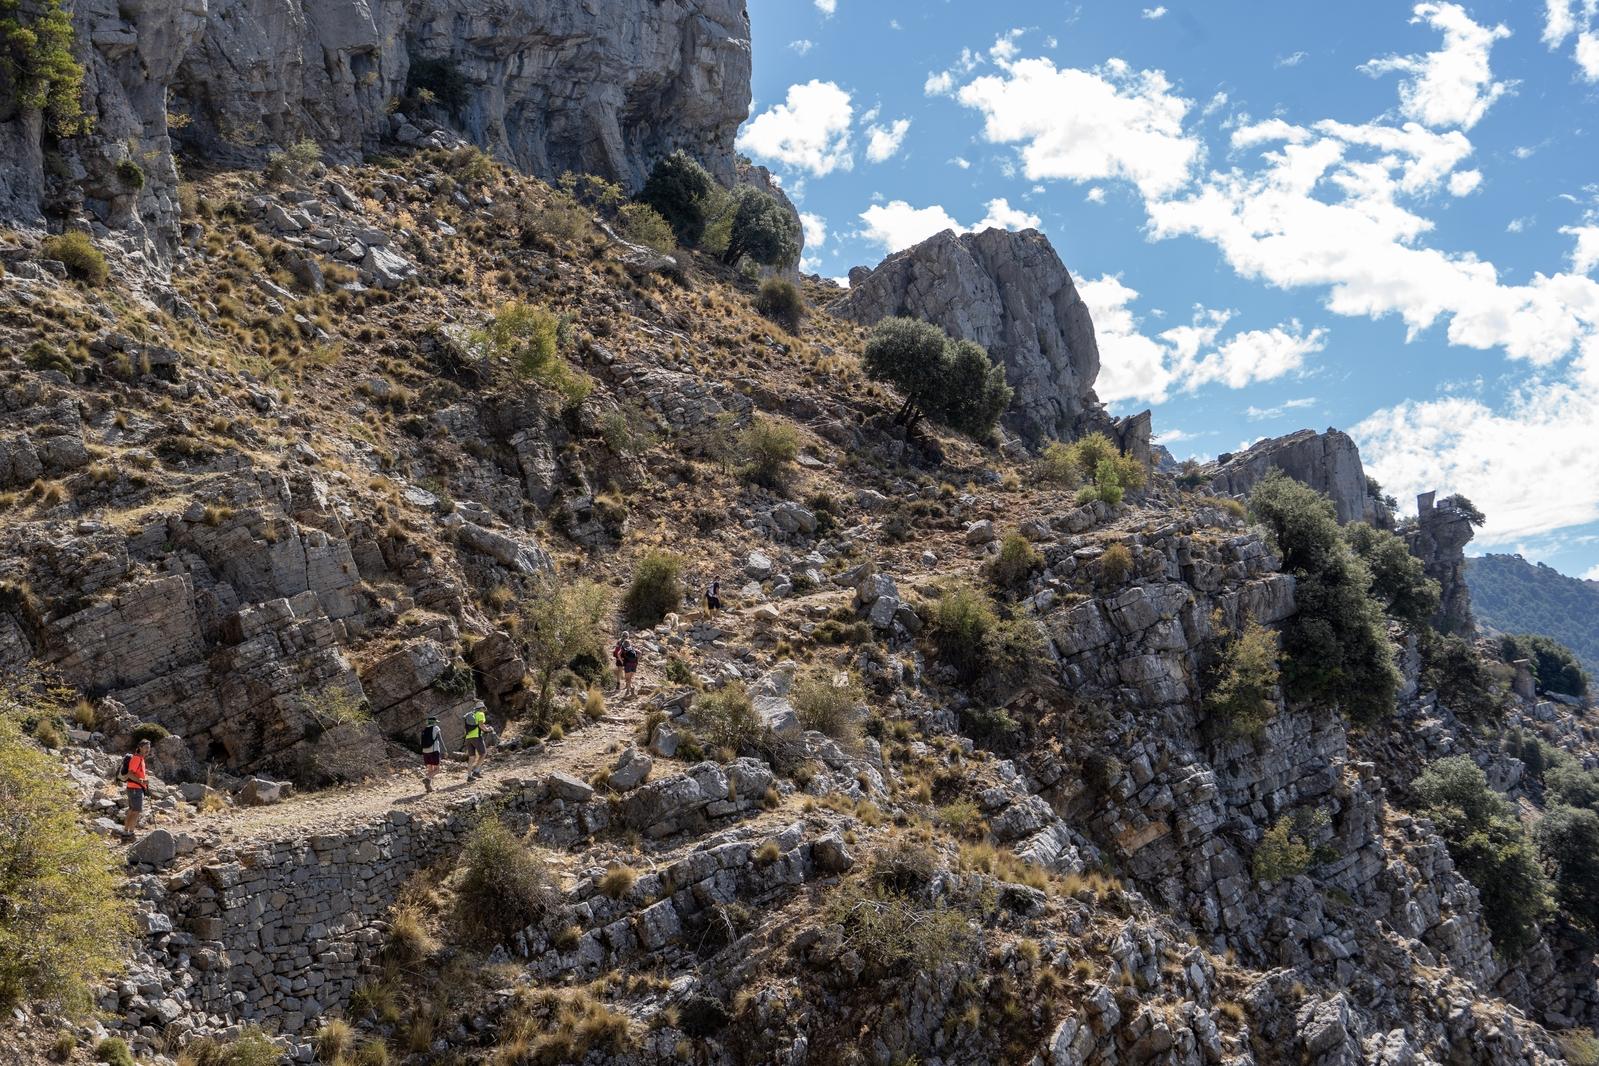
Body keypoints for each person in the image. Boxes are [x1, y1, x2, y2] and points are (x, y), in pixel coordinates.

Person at [120, 739, 152, 839]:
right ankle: (130, 833)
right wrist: (142, 781)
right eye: (146, 747)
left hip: (134, 788)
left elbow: (137, 774)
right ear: (140, 748)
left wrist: (143, 779)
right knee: (136, 811)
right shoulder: (137, 758)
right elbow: (130, 773)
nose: (148, 750)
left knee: (132, 810)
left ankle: (126, 832)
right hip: (135, 788)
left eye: (149, 748)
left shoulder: (141, 759)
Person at [462, 705, 489, 781]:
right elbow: (481, 725)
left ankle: (469, 776)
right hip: (476, 737)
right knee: (483, 753)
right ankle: (476, 771)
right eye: (484, 708)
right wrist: (487, 730)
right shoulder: (480, 714)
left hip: (468, 737)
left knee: (471, 757)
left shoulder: (470, 714)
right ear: (481, 708)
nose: (484, 710)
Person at [419, 715, 444, 793]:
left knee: (430, 770)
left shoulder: (424, 729)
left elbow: (421, 742)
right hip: (434, 751)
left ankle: (429, 788)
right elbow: (440, 739)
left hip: (425, 752)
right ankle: (427, 778)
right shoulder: (436, 728)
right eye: (436, 722)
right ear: (434, 722)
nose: (436, 723)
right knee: (437, 770)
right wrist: (445, 750)